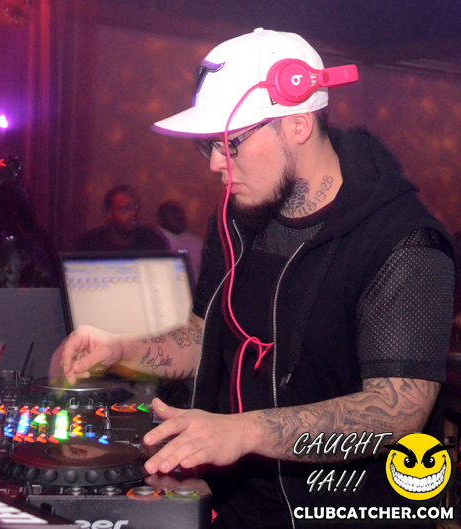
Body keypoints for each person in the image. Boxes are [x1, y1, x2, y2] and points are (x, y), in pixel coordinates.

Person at [52, 28, 455, 528]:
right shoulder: (238, 216)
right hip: (238, 506)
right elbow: (204, 337)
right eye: (209, 145)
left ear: (298, 124)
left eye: (231, 143)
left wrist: (244, 432)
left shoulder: (403, 241)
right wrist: (120, 349)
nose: (216, 164)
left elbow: (397, 411)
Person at [75, 184, 169, 252]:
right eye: (125, 208)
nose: (133, 214)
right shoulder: (90, 243)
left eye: (136, 207)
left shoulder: (153, 241)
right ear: (109, 213)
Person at [156, 200, 204, 282]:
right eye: (173, 215)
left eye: (181, 214)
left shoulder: (197, 242)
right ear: (162, 219)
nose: (179, 217)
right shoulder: (155, 241)